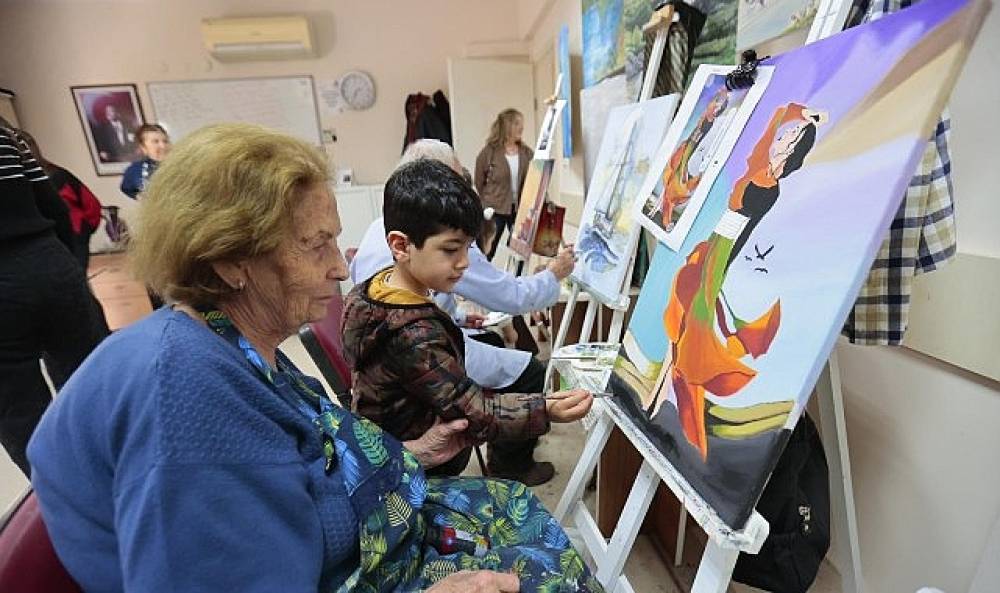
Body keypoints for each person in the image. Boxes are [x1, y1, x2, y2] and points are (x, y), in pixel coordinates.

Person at [27, 123, 601, 593]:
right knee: (542, 572)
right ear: (230, 261)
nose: (340, 267)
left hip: (356, 527)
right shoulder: (184, 407)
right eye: (315, 244)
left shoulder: (223, 340)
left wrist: (409, 454)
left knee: (511, 501)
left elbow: (299, 465)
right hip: (344, 565)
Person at [342, 159, 592, 481]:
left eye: (468, 249)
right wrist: (546, 409)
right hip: (416, 473)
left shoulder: (374, 290)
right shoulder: (414, 335)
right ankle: (511, 466)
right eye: (451, 250)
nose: (463, 263)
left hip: (396, 445)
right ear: (401, 245)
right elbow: (471, 409)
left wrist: (456, 319)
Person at [645, 103, 827, 460]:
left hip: (719, 258)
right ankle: (657, 396)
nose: (780, 138)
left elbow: (741, 234)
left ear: (792, 149)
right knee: (677, 321)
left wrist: (714, 271)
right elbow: (775, 121)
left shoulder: (770, 187)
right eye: (784, 135)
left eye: (788, 137)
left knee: (686, 326)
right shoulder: (759, 166)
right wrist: (799, 114)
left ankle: (665, 400)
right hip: (708, 248)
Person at [0, 126, 109, 477]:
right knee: (89, 381)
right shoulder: (6, 135)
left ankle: (63, 494)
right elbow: (55, 208)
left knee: (19, 409)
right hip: (50, 261)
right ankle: (120, 475)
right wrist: (67, 266)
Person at [20, 130, 103, 270]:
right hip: (60, 240)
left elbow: (91, 205)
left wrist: (83, 231)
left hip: (66, 239)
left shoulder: (58, 176)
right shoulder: (57, 174)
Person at [474, 108, 533, 260]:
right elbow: (479, 180)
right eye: (517, 123)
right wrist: (489, 199)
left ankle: (516, 275)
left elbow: (534, 179)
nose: (521, 127)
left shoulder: (526, 152)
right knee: (488, 250)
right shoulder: (490, 152)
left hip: (519, 209)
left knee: (520, 252)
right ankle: (483, 274)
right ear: (507, 126)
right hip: (495, 209)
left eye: (521, 123)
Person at [120, 123, 170, 199]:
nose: (163, 146)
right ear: (143, 147)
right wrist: (139, 197)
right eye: (155, 141)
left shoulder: (179, 166)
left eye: (165, 141)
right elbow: (126, 188)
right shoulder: (134, 170)